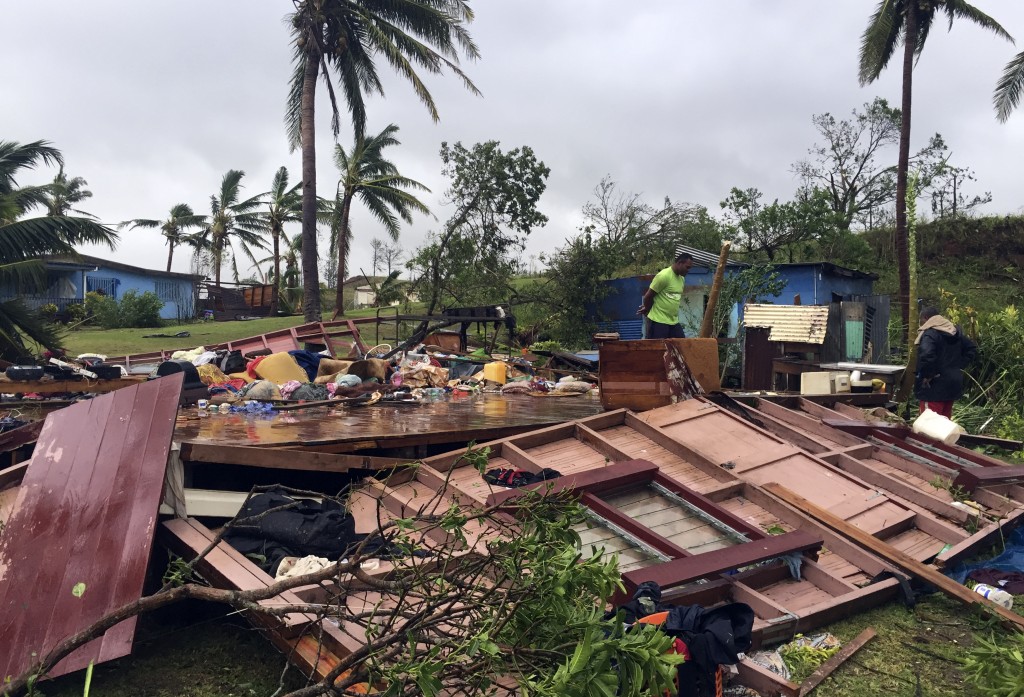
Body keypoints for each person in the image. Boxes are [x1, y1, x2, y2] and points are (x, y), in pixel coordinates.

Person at [914, 306, 977, 419]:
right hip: (952, 385)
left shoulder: (930, 334)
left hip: (932, 388)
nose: (921, 324)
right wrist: (959, 365)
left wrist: (928, 375)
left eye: (921, 321)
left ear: (926, 318)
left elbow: (927, 355)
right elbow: (971, 348)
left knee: (928, 425)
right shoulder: (954, 332)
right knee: (944, 424)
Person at [637, 251, 694, 339]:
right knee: (658, 350)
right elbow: (648, 296)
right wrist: (647, 309)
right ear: (679, 263)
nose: (688, 270)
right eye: (687, 267)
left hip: (673, 321)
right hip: (658, 321)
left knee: (681, 347)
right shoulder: (663, 276)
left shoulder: (681, 279)